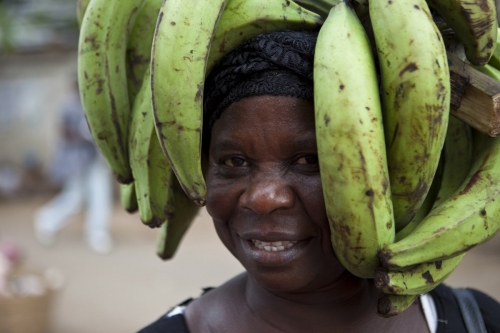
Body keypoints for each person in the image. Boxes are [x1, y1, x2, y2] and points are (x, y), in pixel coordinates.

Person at [139, 31, 500, 332]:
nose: (264, 198)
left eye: (310, 161)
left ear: (393, 172)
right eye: (234, 161)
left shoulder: (480, 322)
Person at [33, 81, 114, 255]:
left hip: (96, 157)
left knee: (100, 195)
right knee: (75, 197)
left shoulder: (96, 103)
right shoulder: (68, 105)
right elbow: (64, 132)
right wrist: (84, 135)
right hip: (76, 159)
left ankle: (98, 234)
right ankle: (46, 221)